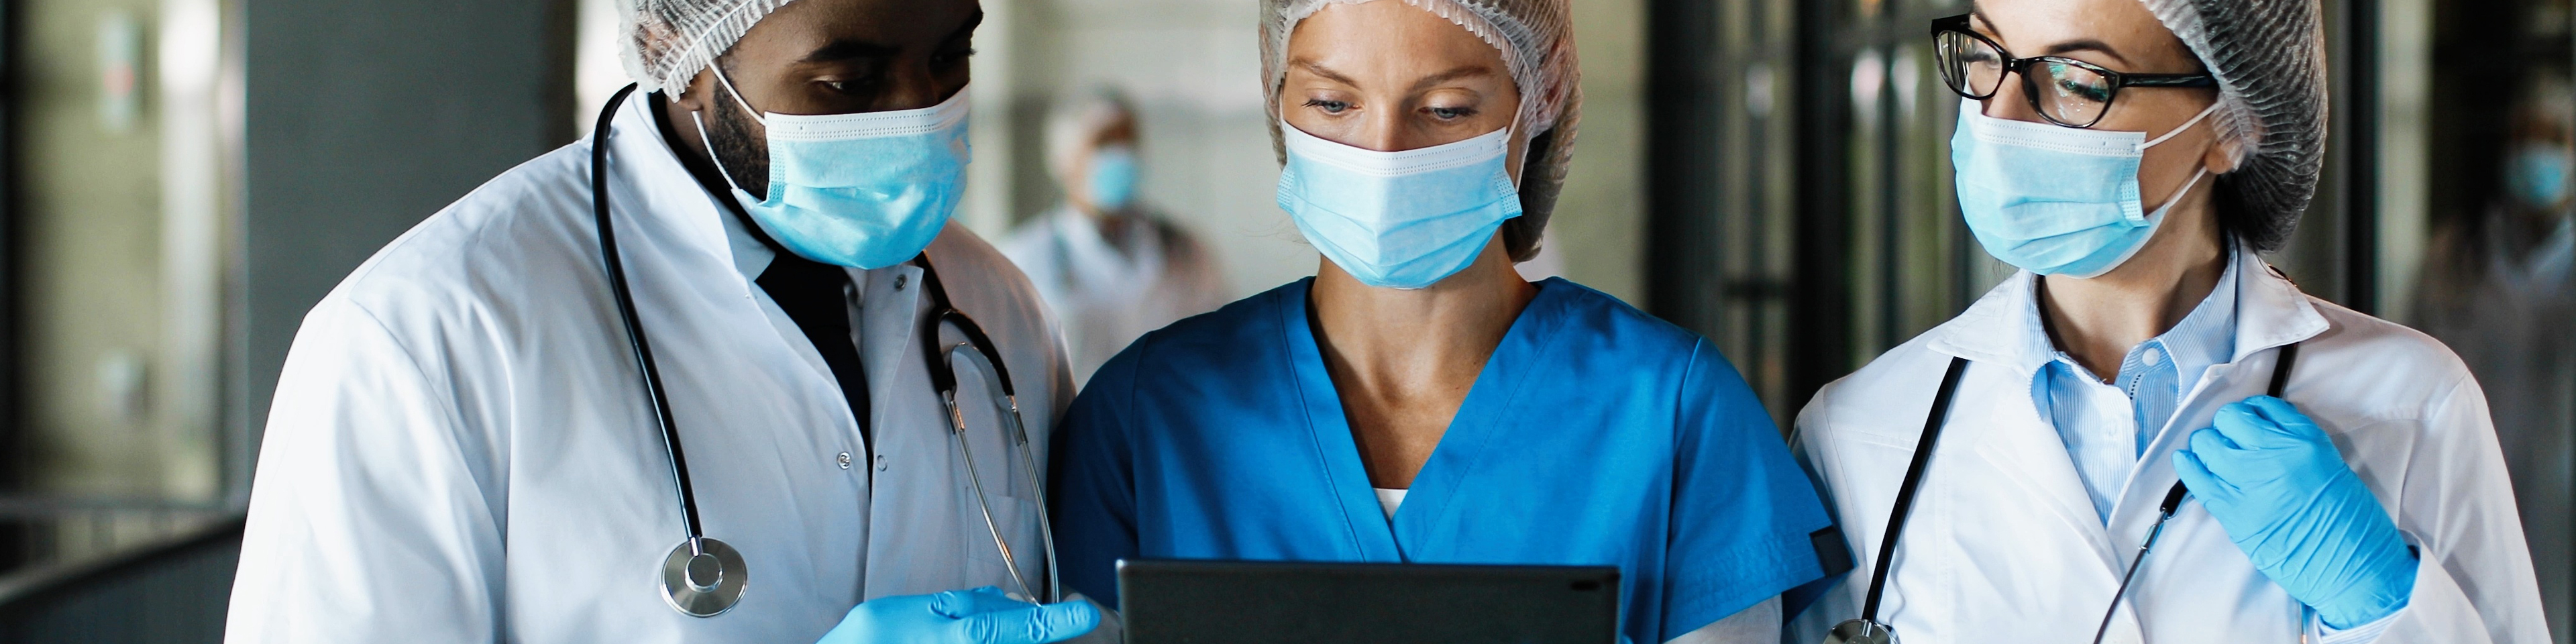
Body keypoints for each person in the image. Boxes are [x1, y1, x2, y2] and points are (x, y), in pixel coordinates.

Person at [223, 0, 1102, 642]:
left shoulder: (1000, 310)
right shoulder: (424, 341)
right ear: (671, 45)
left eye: (952, 58)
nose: (917, 110)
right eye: (847, 82)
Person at [1048, 0, 1842, 642]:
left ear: (1542, 96)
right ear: (1275, 93)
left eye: (1446, 108)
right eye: (1332, 101)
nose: (1385, 153)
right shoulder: (1145, 417)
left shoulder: (1671, 411)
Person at [1788, 0, 2547, 641]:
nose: (1997, 116)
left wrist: (2382, 611)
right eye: (1988, 53)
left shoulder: (2412, 405)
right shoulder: (1857, 433)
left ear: (2232, 123)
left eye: (2077, 80)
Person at [2414, 73, 2576, 640]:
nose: (2537, 153)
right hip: (2467, 489)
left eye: (2555, 138)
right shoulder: (2453, 260)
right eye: (2525, 136)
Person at [1000, 89, 1228, 384]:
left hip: (1170, 426)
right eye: (1104, 142)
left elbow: (1221, 345)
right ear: (1064, 159)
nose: (1121, 154)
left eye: (1128, 140)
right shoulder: (1022, 259)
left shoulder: (1187, 250)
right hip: (1075, 427)